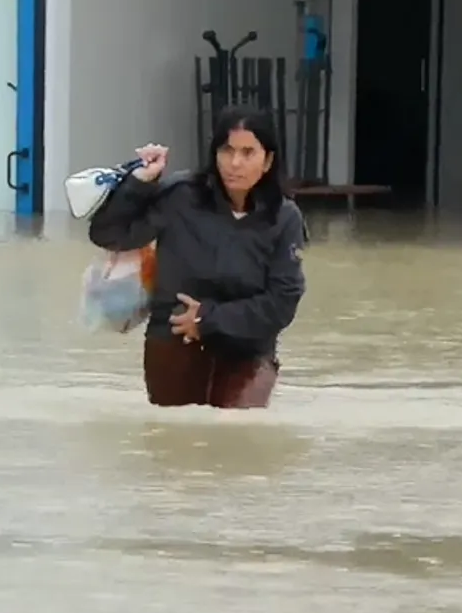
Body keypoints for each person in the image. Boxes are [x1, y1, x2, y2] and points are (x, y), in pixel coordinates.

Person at [88, 105, 307, 409]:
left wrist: (208, 318)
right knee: (176, 440)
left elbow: (283, 302)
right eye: (226, 150)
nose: (235, 163)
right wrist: (140, 182)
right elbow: (109, 234)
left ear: (268, 160)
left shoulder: (285, 218)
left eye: (248, 153)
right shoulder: (180, 195)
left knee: (238, 431)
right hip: (175, 335)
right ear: (214, 154)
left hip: (248, 345)